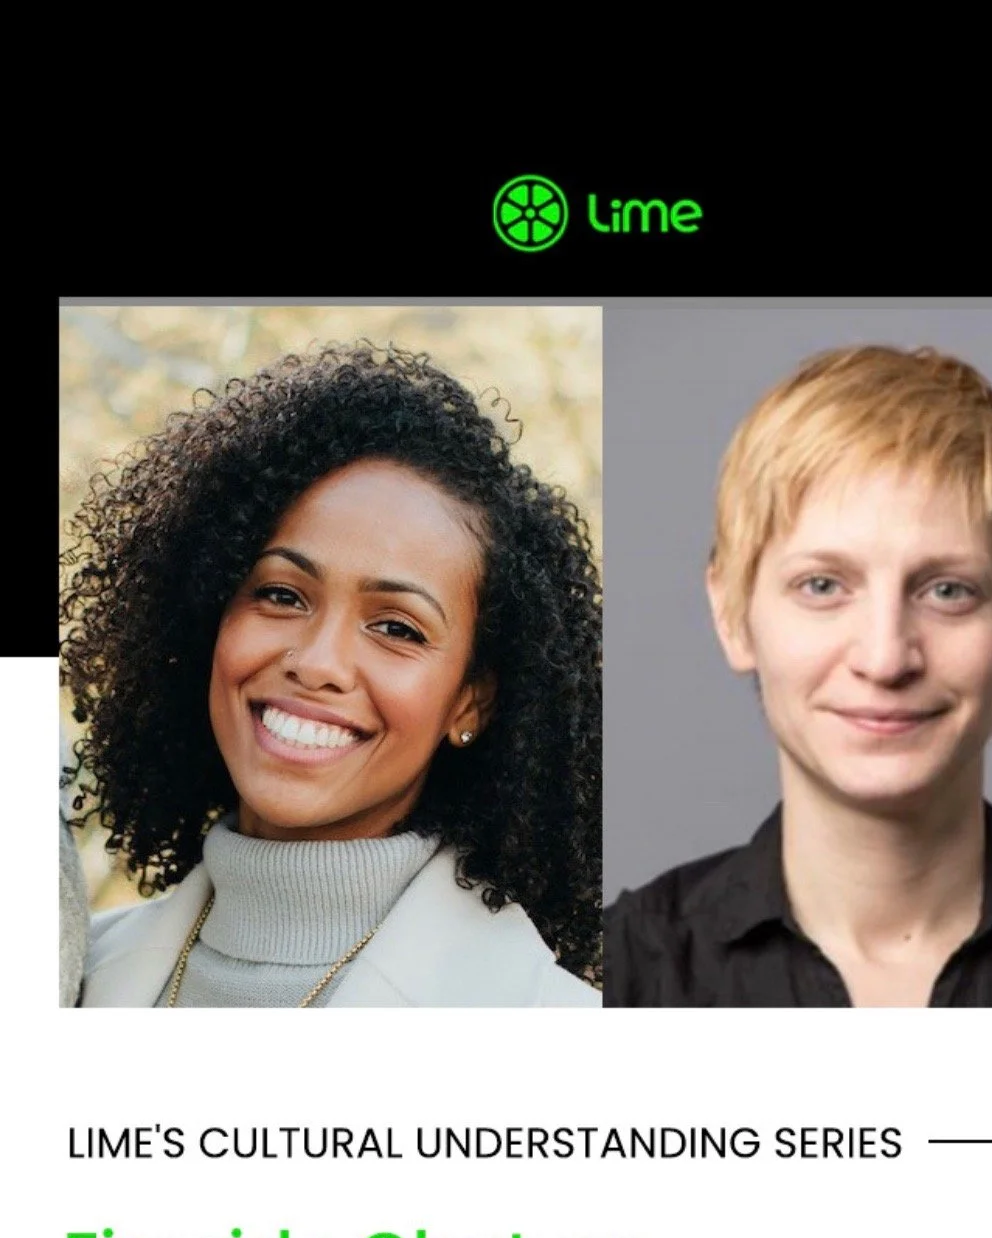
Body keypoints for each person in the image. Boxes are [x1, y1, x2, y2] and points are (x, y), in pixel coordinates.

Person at [604, 345, 992, 1008]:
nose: (886, 658)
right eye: (823, 585)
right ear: (731, 614)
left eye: (948, 590)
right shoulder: (621, 974)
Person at [61, 342, 601, 1007]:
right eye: (281, 594)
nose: (316, 662)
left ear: (472, 702)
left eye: (397, 628)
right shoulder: (71, 980)